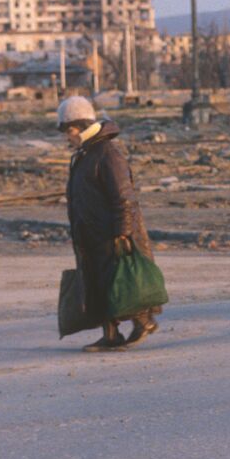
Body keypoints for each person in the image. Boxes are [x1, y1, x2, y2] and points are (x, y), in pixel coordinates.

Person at [58, 95, 161, 351]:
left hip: (110, 233)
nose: (66, 137)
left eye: (68, 130)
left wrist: (123, 232)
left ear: (79, 126)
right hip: (91, 233)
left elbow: (124, 197)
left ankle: (143, 321)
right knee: (98, 282)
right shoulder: (85, 154)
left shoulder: (107, 153)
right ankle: (111, 335)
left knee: (120, 280)